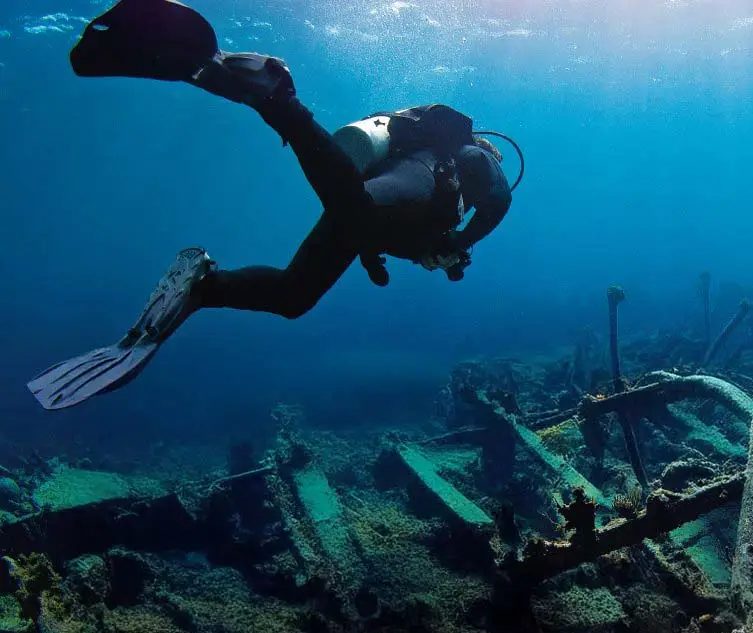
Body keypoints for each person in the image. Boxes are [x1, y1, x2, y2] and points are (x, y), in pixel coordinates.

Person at [28, 0, 520, 411]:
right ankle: (278, 99)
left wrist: (388, 254)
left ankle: (204, 286)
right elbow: (497, 204)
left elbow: (379, 232)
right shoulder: (471, 157)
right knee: (358, 210)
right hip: (406, 184)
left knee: (294, 297)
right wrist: (460, 242)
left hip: (362, 208)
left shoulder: (426, 212)